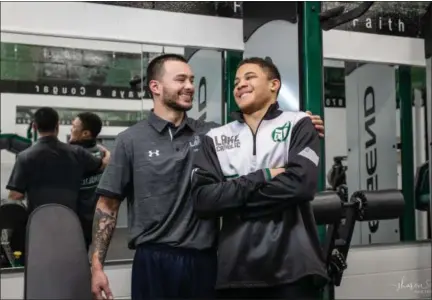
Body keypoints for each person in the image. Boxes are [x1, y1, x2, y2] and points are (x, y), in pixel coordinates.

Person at [90, 54, 325, 300]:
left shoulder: (211, 133)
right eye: (181, 80)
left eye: (192, 80)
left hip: (205, 259)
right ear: (155, 87)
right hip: (154, 258)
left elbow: (255, 127)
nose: (190, 86)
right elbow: (107, 206)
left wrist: (304, 123)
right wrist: (96, 268)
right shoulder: (130, 140)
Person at [190, 57, 329, 299]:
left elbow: (301, 187)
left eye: (249, 77)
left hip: (294, 269)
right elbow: (204, 201)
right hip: (235, 272)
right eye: (236, 82)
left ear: (274, 84)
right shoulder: (215, 137)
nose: (239, 85)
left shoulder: (299, 123)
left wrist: (235, 202)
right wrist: (263, 175)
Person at [6, 107, 110, 216]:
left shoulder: (24, 157)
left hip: (38, 223)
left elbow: (15, 196)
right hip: (70, 222)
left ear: (34, 127)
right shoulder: (77, 153)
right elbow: (103, 165)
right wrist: (108, 154)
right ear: (57, 125)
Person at [69, 112, 105, 251]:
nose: (71, 129)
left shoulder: (73, 154)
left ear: (85, 133)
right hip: (92, 219)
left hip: (74, 219)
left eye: (73, 126)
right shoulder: (101, 152)